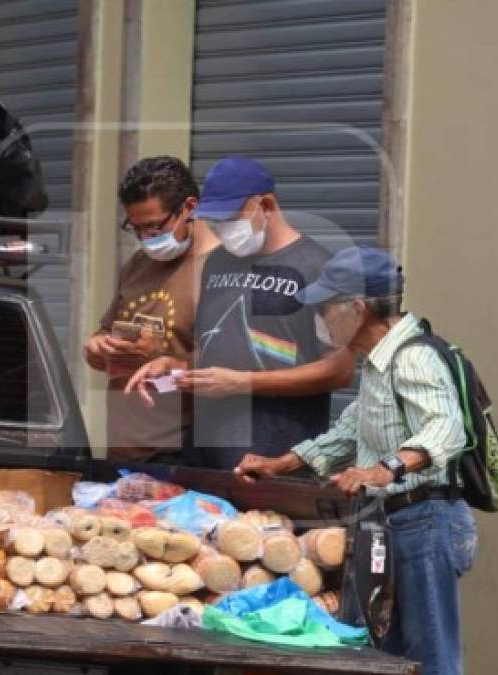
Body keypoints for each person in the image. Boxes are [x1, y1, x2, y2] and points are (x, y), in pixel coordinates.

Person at [233, 245, 478, 675]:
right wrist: (281, 464)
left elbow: (446, 430)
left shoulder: (414, 357)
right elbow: (349, 432)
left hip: (427, 522)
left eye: (326, 308)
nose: (321, 321)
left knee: (433, 659)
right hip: (393, 523)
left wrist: (383, 470)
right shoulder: (379, 364)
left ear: (356, 309)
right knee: (386, 659)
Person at [126, 156, 357, 469]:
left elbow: (340, 371)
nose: (223, 229)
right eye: (217, 222)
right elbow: (219, 348)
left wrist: (243, 383)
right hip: (206, 455)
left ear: (265, 205)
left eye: (231, 218)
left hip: (275, 460)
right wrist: (175, 365)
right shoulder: (219, 262)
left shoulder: (318, 268)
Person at [83, 156, 219, 462]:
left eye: (154, 227)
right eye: (136, 229)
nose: (146, 239)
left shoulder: (222, 271)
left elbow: (231, 367)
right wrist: (96, 347)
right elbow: (107, 331)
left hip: (179, 454)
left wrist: (165, 363)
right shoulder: (138, 264)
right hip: (123, 448)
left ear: (190, 208)